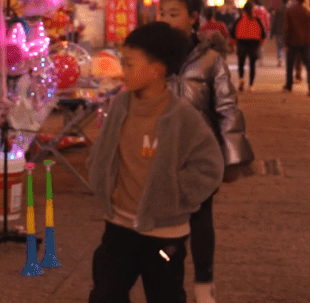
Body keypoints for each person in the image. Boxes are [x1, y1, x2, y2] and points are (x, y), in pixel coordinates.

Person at [87, 21, 225, 303]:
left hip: (165, 234)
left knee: (166, 295)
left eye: (129, 63)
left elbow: (210, 167)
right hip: (118, 226)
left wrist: (174, 195)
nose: (122, 70)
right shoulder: (120, 107)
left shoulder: (182, 116)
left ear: (156, 70)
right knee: (105, 294)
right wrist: (102, 181)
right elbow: (102, 153)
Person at [158, 0, 254, 303]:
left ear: (193, 18)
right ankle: (168, 284)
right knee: (164, 220)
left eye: (174, 14)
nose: (166, 20)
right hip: (159, 151)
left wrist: (232, 158)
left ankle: (204, 283)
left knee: (200, 219)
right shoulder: (154, 56)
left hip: (200, 153)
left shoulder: (211, 60)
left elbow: (227, 108)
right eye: (163, 14)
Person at [283, 0, 310, 96]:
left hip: (293, 41)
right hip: (307, 41)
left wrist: (286, 42)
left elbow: (288, 28)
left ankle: (289, 85)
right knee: (309, 65)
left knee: (290, 64)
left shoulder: (290, 11)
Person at [230, 2, 266, 91]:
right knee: (252, 64)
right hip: (254, 43)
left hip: (242, 42)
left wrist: (234, 42)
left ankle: (241, 79)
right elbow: (263, 33)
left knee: (241, 63)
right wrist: (260, 42)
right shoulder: (257, 20)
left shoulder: (239, 19)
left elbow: (232, 32)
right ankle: (250, 85)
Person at [270, 0, 289, 66]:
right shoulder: (289, 10)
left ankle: (280, 59)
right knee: (287, 46)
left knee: (279, 47)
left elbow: (274, 22)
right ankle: (287, 60)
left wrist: (272, 33)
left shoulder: (278, 10)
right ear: (287, 1)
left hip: (278, 31)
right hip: (287, 31)